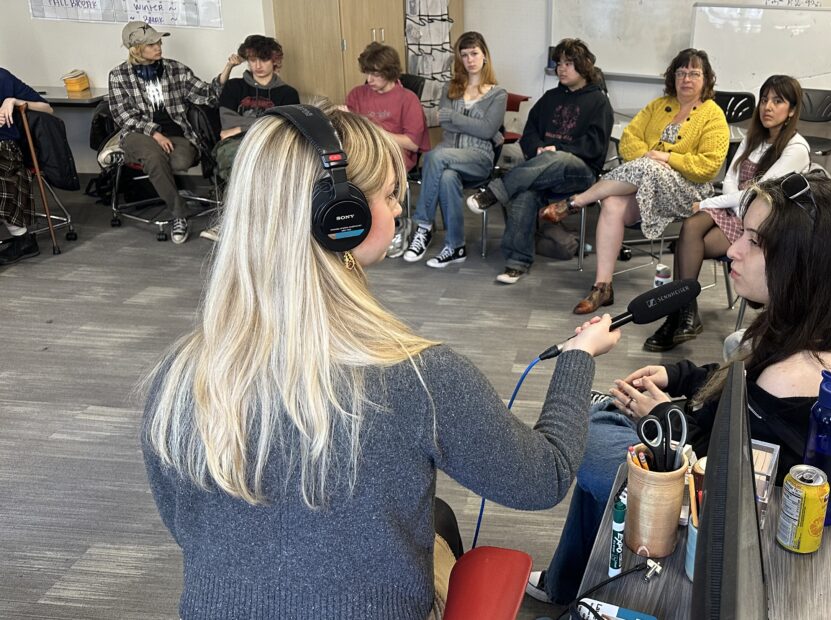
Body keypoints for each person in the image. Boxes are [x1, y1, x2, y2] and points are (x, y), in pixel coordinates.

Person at [140, 105, 622, 619]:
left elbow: (187, 524)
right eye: (390, 195)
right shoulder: (419, 376)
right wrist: (577, 358)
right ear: (339, 217)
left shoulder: (177, 375)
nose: (397, 211)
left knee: (433, 516)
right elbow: (542, 478)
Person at [527, 173, 831, 605]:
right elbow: (738, 384)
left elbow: (728, 479)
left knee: (584, 433)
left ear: (800, 259)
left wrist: (663, 417)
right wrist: (677, 377)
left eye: (754, 241)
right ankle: (567, 582)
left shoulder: (795, 374)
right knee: (607, 416)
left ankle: (568, 582)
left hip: (731, 522)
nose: (732, 249)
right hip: (736, 474)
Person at [542, 48, 729, 314]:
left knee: (650, 167)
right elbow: (629, 140)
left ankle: (576, 202)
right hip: (645, 180)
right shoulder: (658, 106)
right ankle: (602, 287)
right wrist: (649, 158)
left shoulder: (713, 115)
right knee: (612, 203)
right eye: (681, 72)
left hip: (689, 191)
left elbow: (707, 167)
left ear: (707, 79)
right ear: (672, 77)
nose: (686, 79)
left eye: (694, 73)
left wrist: (665, 157)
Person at [645, 74, 811, 351]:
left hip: (761, 222)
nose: (767, 107)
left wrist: (712, 203)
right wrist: (724, 203)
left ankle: (679, 314)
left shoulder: (796, 148)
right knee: (691, 227)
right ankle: (683, 312)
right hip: (734, 208)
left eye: (778, 101)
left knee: (694, 234)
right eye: (765, 100)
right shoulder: (753, 138)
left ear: (791, 110)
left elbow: (758, 194)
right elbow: (732, 177)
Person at [464, 38, 613, 285]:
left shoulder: (599, 102)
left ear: (583, 66)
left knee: (555, 157)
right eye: (559, 64)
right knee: (525, 192)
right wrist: (537, 149)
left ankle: (494, 192)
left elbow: (594, 147)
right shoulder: (550, 97)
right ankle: (516, 263)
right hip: (543, 169)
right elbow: (530, 132)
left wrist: (557, 149)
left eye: (568, 63)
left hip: (581, 173)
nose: (561, 69)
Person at [107, 21, 239, 244]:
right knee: (153, 154)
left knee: (179, 159)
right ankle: (179, 214)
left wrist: (228, 69)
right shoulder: (119, 76)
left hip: (176, 134)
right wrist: (155, 132)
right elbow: (123, 116)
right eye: (151, 44)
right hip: (138, 133)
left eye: (158, 42)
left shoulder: (175, 69)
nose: (158, 47)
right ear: (137, 49)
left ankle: (168, 191)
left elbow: (208, 95)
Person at [403, 31, 507, 268]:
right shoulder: (451, 88)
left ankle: (423, 226)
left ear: (484, 56)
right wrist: (479, 126)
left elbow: (487, 129)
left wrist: (456, 117)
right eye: (464, 55)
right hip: (449, 156)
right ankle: (455, 245)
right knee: (447, 177)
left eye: (474, 53)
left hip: (479, 159)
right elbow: (451, 123)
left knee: (433, 156)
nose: (470, 59)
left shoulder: (498, 94)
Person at [202, 34, 301, 241]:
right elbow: (227, 123)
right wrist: (265, 121)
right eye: (253, 59)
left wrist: (241, 128)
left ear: (275, 61)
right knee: (239, 163)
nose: (258, 65)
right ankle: (230, 222)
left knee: (274, 165)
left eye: (263, 59)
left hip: (270, 141)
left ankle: (268, 223)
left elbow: (282, 125)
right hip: (235, 144)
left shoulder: (287, 93)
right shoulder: (234, 87)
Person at [346, 42, 430, 173]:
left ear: (390, 72)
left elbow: (412, 144)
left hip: (393, 153)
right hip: (362, 151)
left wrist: (376, 133)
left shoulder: (408, 99)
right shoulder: (356, 94)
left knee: (367, 169)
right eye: (367, 73)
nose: (369, 80)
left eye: (376, 74)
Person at [0, 67, 53, 265]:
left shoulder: (2, 77)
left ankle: (22, 239)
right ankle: (21, 238)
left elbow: (47, 108)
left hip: (5, 149)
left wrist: (14, 101)